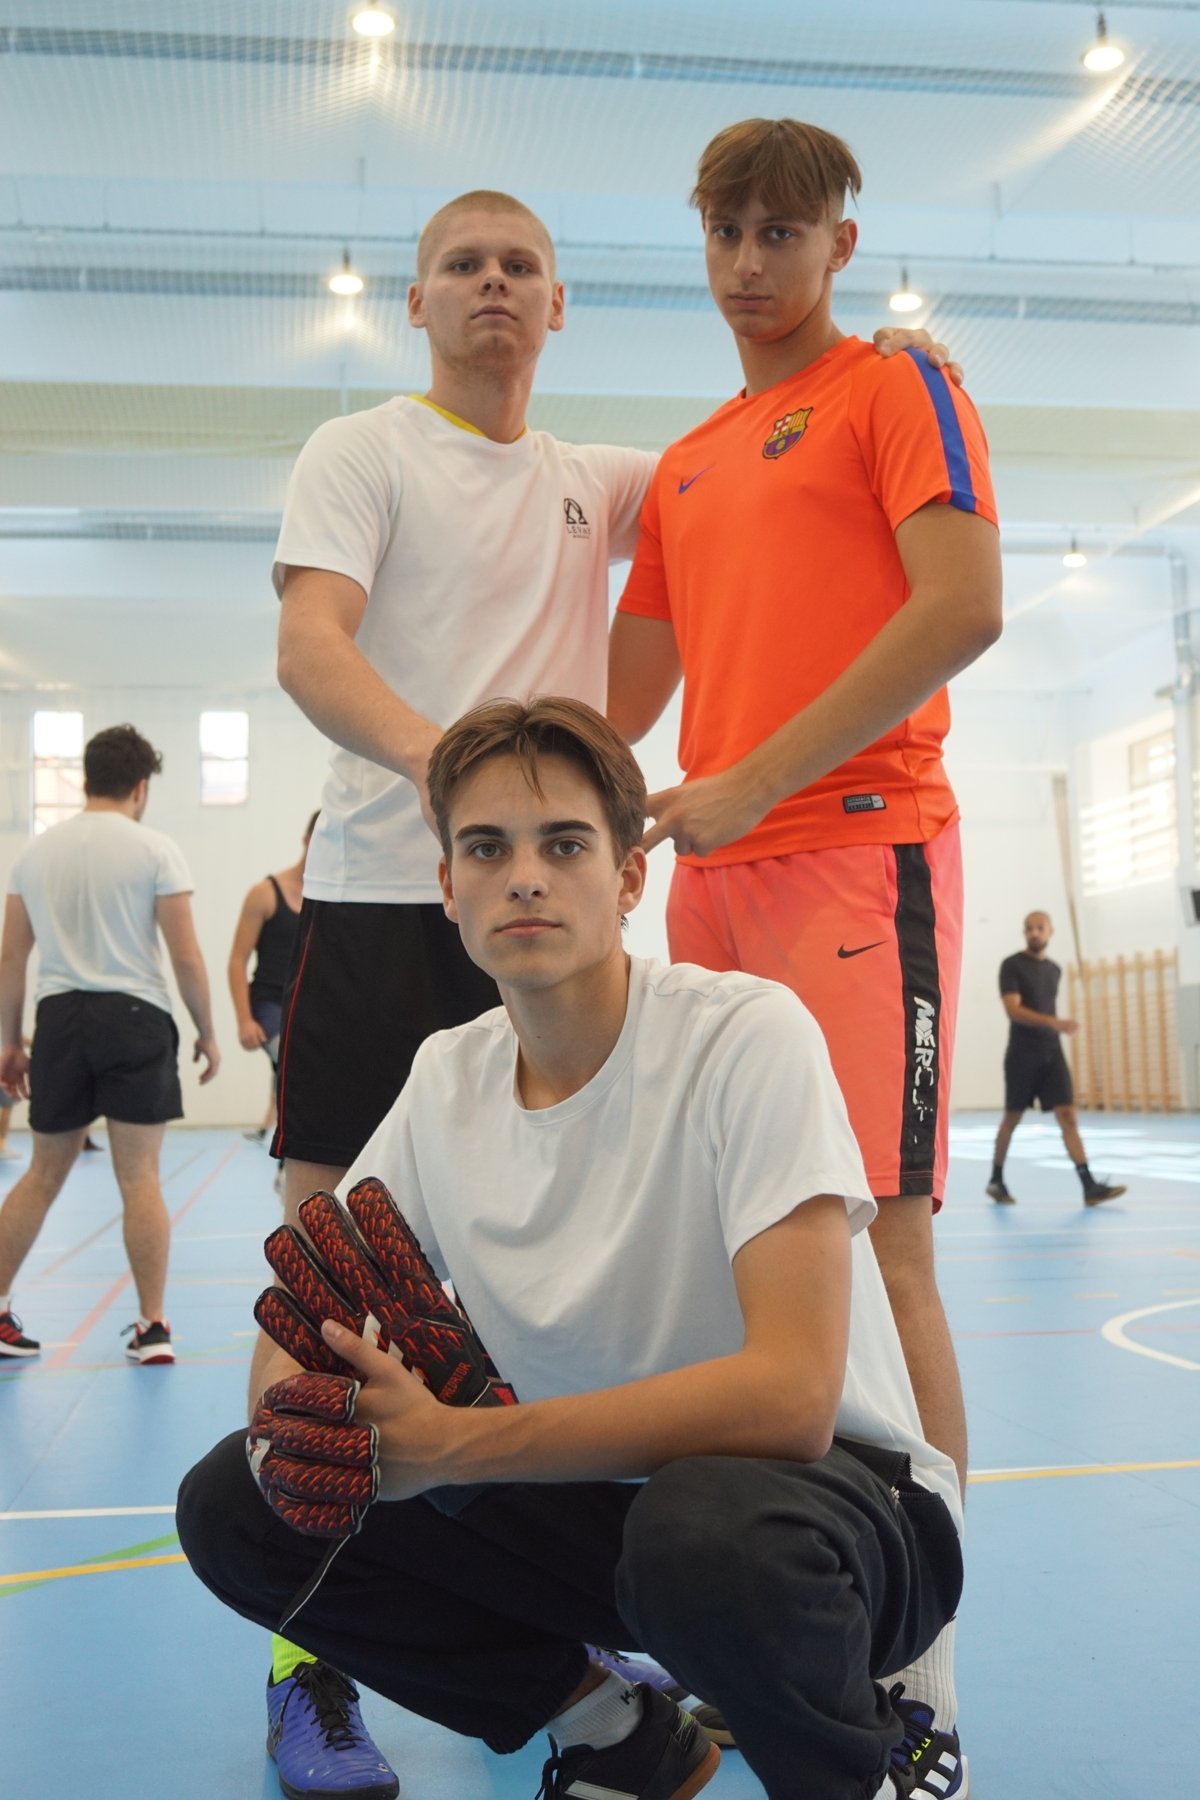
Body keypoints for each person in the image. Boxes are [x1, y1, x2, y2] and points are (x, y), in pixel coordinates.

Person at [259, 181, 956, 1796]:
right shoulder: (361, 450)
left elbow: (758, 466)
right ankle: (315, 1662)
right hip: (389, 894)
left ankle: (717, 1647)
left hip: (550, 900)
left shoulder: (606, 482)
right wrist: (461, 781)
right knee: (330, 1294)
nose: (493, 285)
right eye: (461, 266)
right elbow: (310, 648)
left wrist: (897, 379)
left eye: (522, 265)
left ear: (560, 304)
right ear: (418, 302)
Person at [178, 697, 964, 1800]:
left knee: (703, 1534)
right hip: (605, 1506)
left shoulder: (745, 1035)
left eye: (564, 845)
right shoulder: (447, 1078)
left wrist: (455, 1443)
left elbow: (792, 1399)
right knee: (238, 1502)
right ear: (447, 886)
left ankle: (868, 1761)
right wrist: (299, 1413)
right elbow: (308, 1300)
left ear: (629, 877)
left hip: (842, 1516)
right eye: (486, 848)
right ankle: (614, 1735)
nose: (524, 878)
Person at [607, 117, 1003, 1776]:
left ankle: (921, 1676)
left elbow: (964, 605)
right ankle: (774, 1631)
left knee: (881, 1251)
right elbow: (613, 707)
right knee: (737, 1271)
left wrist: (757, 774)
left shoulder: (894, 387)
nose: (751, 263)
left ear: (841, 241)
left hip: (855, 861)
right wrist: (492, 806)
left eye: (784, 232)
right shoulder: (690, 463)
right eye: (728, 233)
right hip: (708, 889)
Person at [0, 724, 219, 1364]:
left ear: (86, 779)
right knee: (139, 1176)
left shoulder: (35, 854)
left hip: (59, 1019)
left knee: (43, 1173)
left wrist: (9, 1042)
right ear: (141, 787)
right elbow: (185, 955)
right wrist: (207, 1030)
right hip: (135, 1016)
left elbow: (11, 957)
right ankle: (152, 1329)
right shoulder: (155, 848)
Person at [987, 910, 1125, 1207]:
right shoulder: (1011, 965)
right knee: (1012, 1118)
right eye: (1029, 928)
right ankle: (996, 1180)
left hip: (1051, 1054)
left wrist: (1054, 1028)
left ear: (1050, 931)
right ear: (1024, 932)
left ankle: (1089, 1186)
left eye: (1040, 927)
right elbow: (1013, 1010)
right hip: (1022, 1055)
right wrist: (1055, 1023)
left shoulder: (1054, 970)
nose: (1034, 933)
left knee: (1068, 1117)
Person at [228, 813, 317, 1142]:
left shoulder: (328, 900)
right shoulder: (265, 893)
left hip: (308, 1007)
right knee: (295, 1066)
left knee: (294, 1071)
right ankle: (286, 1147)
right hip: (269, 1006)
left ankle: (276, 1129)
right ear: (306, 840)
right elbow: (237, 961)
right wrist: (244, 1020)